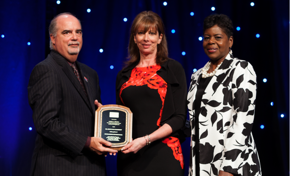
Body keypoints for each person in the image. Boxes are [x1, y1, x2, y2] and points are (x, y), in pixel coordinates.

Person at [28, 12, 117, 176]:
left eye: (78, 32)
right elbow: (46, 123)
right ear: (53, 38)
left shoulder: (90, 74)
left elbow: (86, 117)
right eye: (67, 32)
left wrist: (105, 122)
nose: (74, 37)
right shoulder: (46, 69)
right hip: (59, 168)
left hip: (92, 167)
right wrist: (87, 142)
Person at [187, 14, 262, 176]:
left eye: (218, 37)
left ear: (230, 41)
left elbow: (243, 120)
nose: (211, 41)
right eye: (207, 37)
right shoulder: (197, 76)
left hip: (232, 164)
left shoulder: (241, 68)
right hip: (201, 163)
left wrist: (228, 167)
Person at [115, 11, 187, 176]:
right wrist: (103, 117)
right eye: (141, 33)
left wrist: (146, 140)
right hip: (131, 155)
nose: (146, 38)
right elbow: (122, 118)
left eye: (152, 33)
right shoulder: (123, 75)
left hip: (165, 155)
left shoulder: (173, 69)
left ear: (160, 38)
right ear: (134, 38)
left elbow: (179, 118)